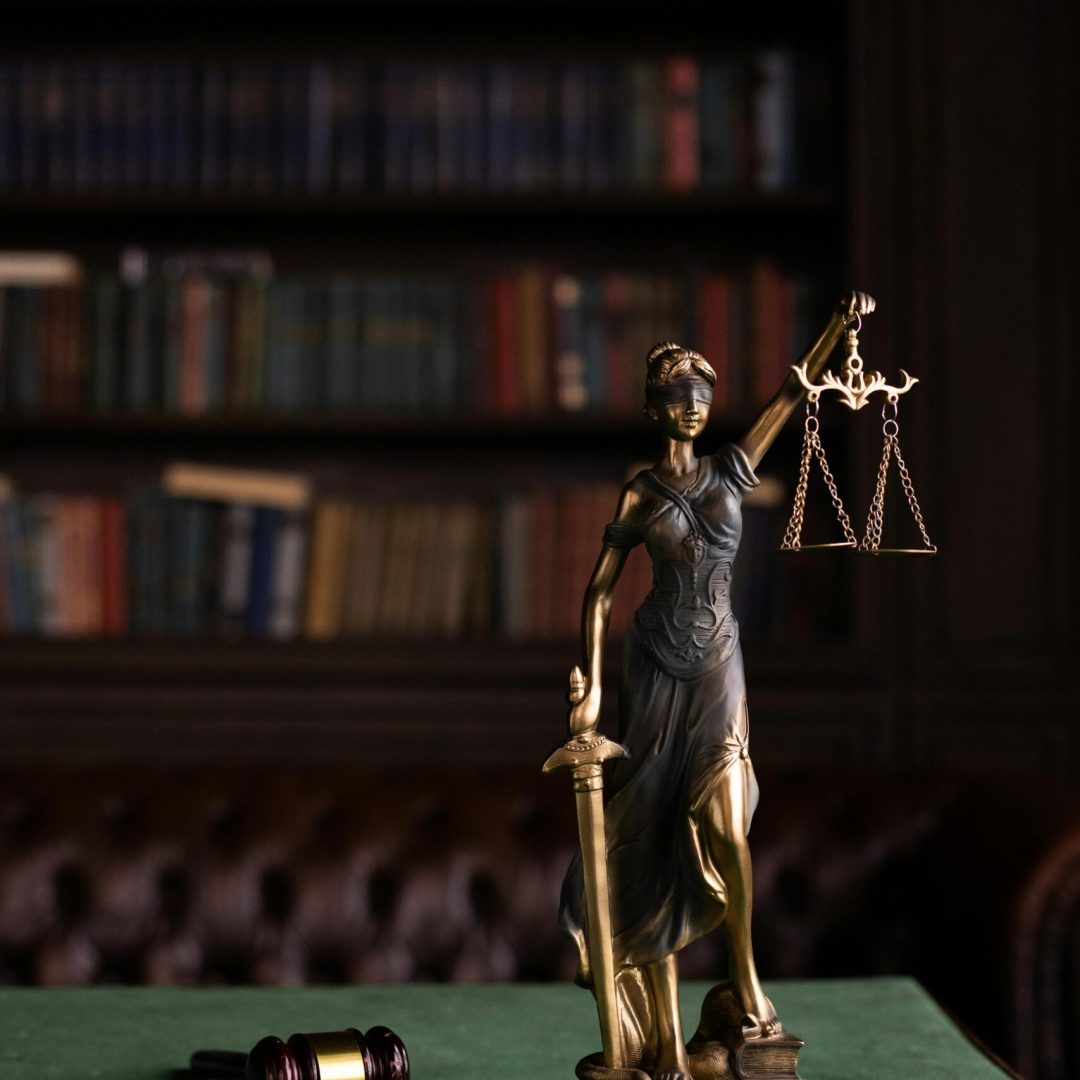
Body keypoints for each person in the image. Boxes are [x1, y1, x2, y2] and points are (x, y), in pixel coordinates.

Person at [559, 292, 876, 1080]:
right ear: (652, 408)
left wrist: (842, 326)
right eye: (677, 399)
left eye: (702, 399)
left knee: (729, 827)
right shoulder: (639, 493)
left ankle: (747, 977)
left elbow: (795, 389)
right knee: (654, 832)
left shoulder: (734, 467)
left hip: (718, 668)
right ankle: (656, 1026)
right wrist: (590, 687)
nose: (693, 410)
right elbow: (600, 591)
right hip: (652, 669)